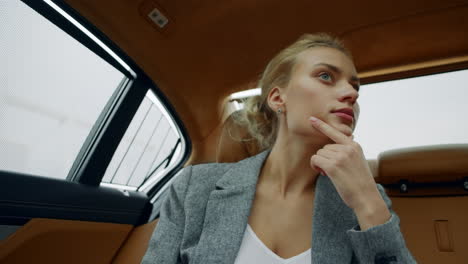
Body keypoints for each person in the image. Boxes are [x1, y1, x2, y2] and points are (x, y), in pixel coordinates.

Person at [142, 33, 416, 264]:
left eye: (355, 86)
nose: (352, 93)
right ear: (277, 98)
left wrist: (367, 201)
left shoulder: (366, 199)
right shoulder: (195, 187)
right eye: (326, 76)